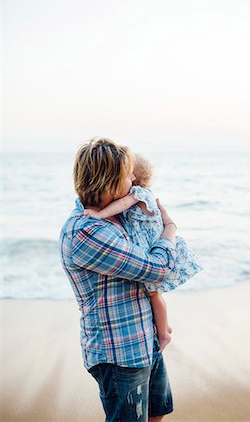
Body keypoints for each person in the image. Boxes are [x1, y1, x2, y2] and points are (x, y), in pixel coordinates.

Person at [59, 138, 177, 422]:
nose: (134, 178)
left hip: (144, 340)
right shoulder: (87, 232)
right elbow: (159, 269)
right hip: (119, 353)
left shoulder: (120, 215)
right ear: (109, 181)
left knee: (157, 413)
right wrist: (171, 229)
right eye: (127, 174)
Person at [84, 154, 203, 352]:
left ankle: (164, 334)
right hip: (149, 244)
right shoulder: (140, 194)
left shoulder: (139, 193)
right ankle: (163, 325)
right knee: (154, 294)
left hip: (151, 247)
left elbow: (121, 206)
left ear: (134, 177)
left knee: (154, 294)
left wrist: (99, 214)